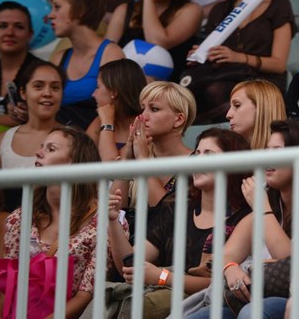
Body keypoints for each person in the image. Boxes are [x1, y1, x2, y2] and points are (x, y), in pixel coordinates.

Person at [107, 128, 251, 317]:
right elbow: (130, 266)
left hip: (201, 305)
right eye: (197, 153)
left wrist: (162, 277)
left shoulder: (245, 217)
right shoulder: (178, 206)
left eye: (209, 155)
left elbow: (216, 284)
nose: (198, 161)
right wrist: (113, 222)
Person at [184, 120, 299, 319]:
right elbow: (224, 256)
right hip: (248, 295)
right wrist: (231, 269)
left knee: (251, 313)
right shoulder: (264, 203)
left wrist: (262, 207)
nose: (268, 158)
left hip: (295, 297)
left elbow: (289, 261)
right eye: (267, 150)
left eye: (277, 151)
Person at [1, 126, 117, 318]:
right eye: (41, 147)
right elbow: (7, 288)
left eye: (51, 149)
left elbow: (85, 295)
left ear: (74, 163)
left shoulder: (103, 224)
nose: (38, 152)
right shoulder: (19, 218)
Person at [182, 0, 295, 123]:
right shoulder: (219, 11)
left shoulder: (279, 5)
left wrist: (238, 57)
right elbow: (214, 59)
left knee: (217, 91)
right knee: (190, 94)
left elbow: (279, 64)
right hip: (224, 79)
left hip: (263, 85)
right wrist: (202, 55)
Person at [0, 60, 66, 256]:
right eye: (38, 86)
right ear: (22, 93)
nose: (47, 93)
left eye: (55, 87)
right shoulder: (2, 140)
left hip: (54, 238)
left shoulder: (75, 140)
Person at [106, 0, 202, 80]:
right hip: (124, 85)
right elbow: (106, 54)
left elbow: (157, 43)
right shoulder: (124, 10)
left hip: (169, 90)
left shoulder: (191, 10)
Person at [109, 81, 195, 215]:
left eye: (154, 109)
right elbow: (112, 213)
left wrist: (143, 162)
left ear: (178, 119)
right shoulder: (137, 157)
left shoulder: (197, 163)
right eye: (143, 108)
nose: (143, 116)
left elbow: (167, 217)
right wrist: (127, 160)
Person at [48, 0, 126, 129]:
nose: (51, 15)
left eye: (57, 7)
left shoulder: (111, 53)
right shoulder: (59, 57)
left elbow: (115, 111)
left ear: (81, 10)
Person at [85, 59, 149, 161]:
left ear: (114, 92)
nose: (93, 94)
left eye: (98, 87)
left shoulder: (144, 123)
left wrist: (107, 122)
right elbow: (84, 159)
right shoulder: (98, 122)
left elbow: (112, 168)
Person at [0, 1, 41, 130]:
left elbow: (40, 116)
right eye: (2, 26)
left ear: (30, 34)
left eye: (19, 27)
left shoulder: (42, 72)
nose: (10, 32)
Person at [226, 79, 287, 150]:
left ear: (262, 107)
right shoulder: (228, 153)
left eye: (237, 105)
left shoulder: (291, 151)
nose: (228, 115)